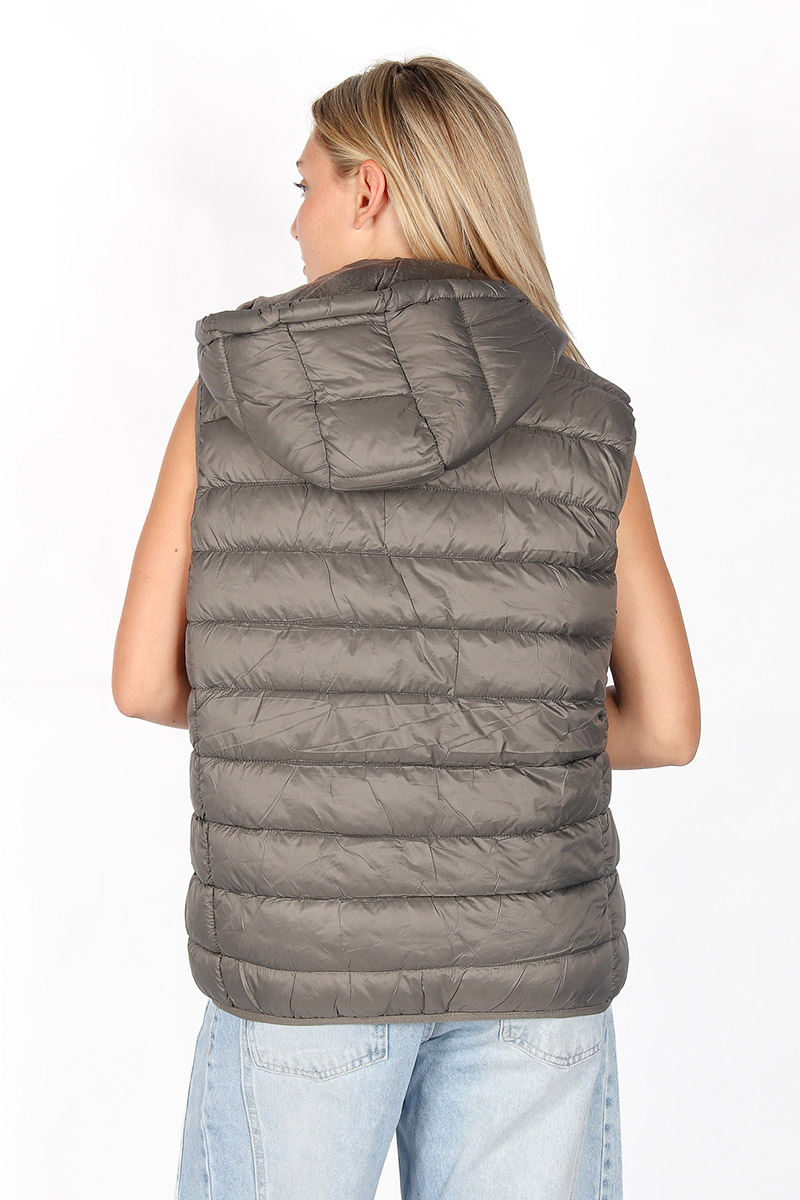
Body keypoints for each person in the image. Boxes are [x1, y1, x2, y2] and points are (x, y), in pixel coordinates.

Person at [112, 54, 700, 1200]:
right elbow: (665, 727)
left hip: (300, 965)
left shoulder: (229, 394)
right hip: (532, 962)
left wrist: (309, 727)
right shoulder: (582, 412)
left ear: (369, 187)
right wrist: (487, 733)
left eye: (306, 187)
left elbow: (144, 683)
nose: (295, 223)